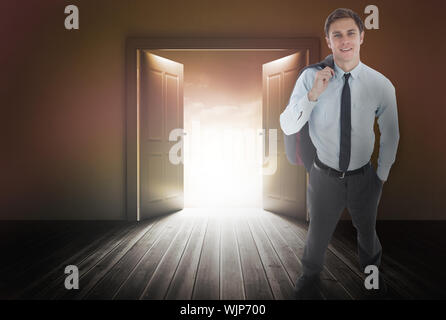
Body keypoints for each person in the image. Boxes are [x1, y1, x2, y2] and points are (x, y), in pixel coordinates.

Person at [279, 8, 400, 299]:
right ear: (328, 41)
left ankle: (371, 280)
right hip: (324, 176)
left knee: (368, 234)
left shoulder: (380, 84)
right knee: (317, 235)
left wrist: (380, 176)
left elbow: (391, 133)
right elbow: (287, 124)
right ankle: (309, 281)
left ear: (361, 37)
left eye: (350, 33)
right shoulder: (311, 78)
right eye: (337, 35)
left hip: (364, 176)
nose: (344, 40)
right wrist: (313, 95)